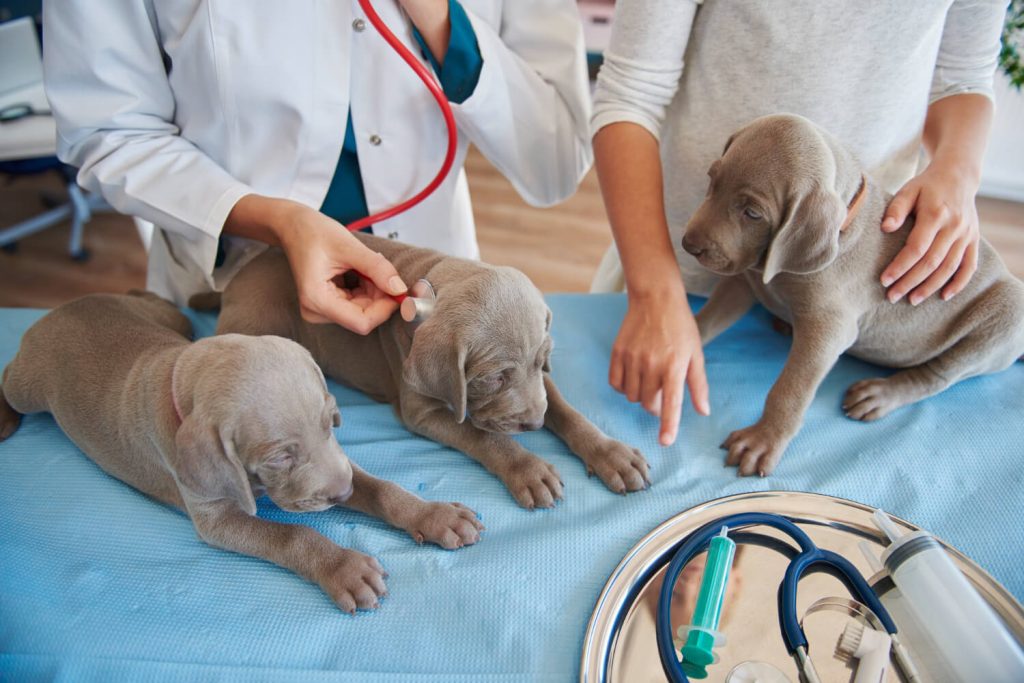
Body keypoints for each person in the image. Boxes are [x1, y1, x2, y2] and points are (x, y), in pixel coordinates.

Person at [590, 0, 1008, 446]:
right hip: (661, 266)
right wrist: (654, 292)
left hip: (866, 249)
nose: (698, 231)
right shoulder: (731, 238)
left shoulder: (818, 253)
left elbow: (964, 76)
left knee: (1011, 313)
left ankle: (924, 379)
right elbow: (629, 93)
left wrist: (958, 169)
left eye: (750, 210)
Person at [43, 0, 591, 334]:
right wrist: (278, 220)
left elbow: (555, 162)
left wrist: (442, 19)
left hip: (427, 299)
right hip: (231, 296)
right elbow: (109, 129)